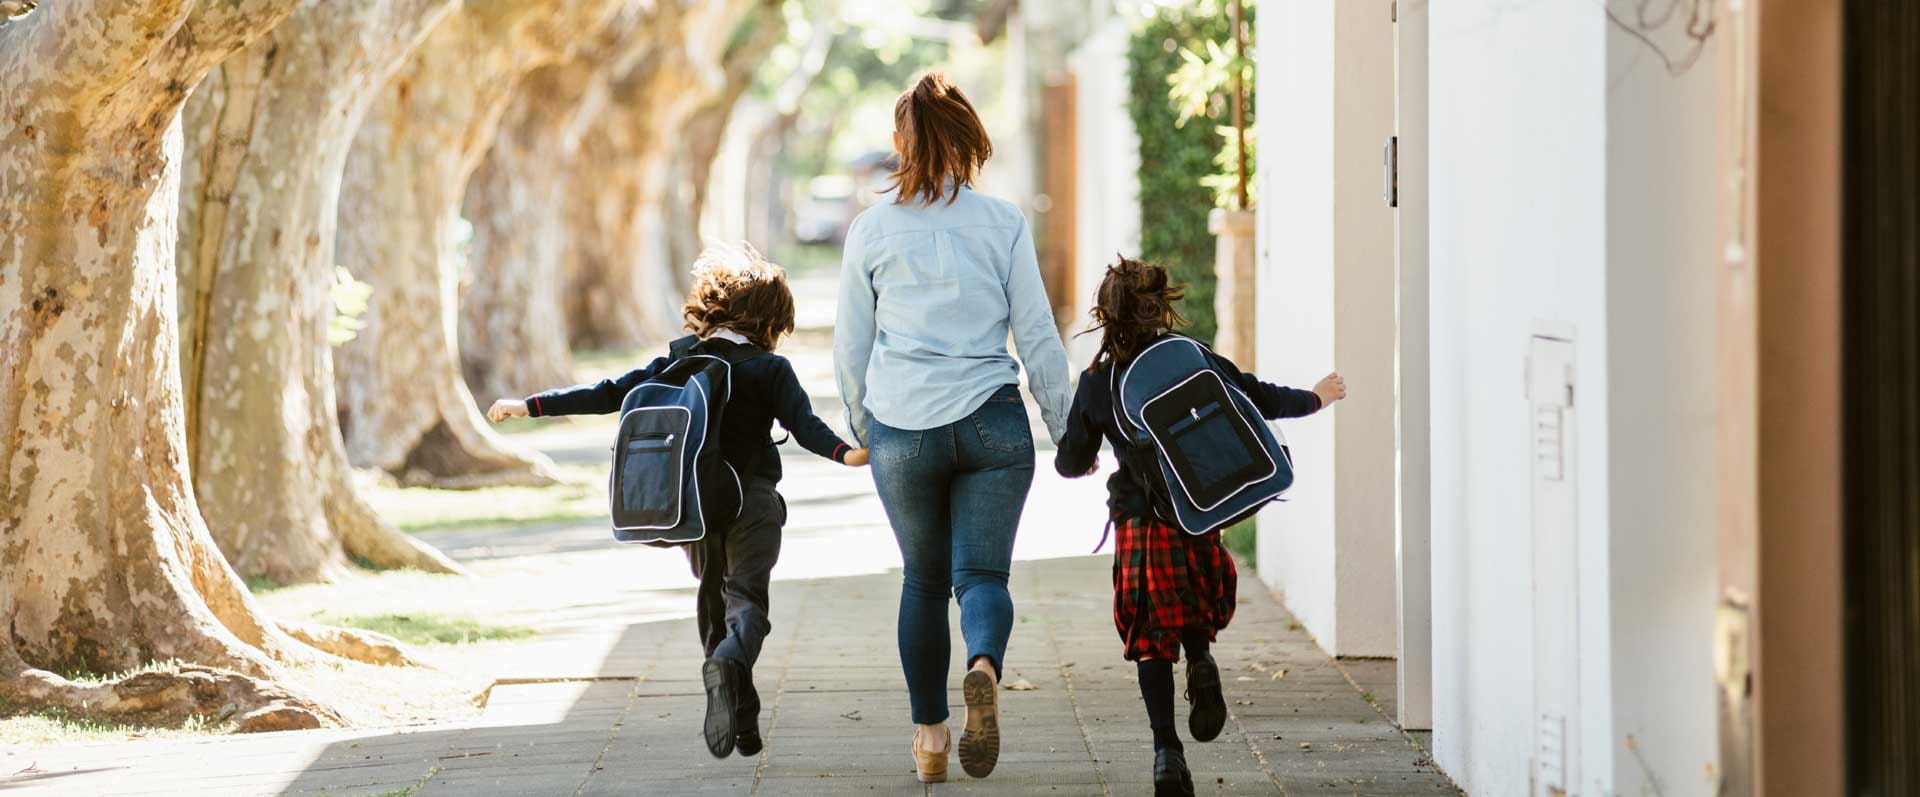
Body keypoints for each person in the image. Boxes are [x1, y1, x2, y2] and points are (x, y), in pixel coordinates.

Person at [488, 244, 869, 760]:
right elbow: (805, 428)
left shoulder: (681, 358)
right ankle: (731, 667)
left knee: (713, 604)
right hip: (751, 503)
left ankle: (742, 715)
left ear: (714, 306)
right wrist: (847, 453)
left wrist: (529, 406)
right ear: (770, 318)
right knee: (748, 605)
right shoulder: (769, 369)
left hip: (693, 505)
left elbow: (608, 393)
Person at [834, 72, 1073, 784]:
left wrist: (862, 425)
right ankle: (983, 666)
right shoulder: (1002, 222)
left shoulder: (871, 229)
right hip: (993, 422)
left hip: (904, 426)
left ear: (901, 143)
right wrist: (1066, 431)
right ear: (969, 138)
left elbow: (852, 344)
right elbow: (1037, 334)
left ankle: (932, 739)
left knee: (923, 580)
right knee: (981, 576)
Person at [1053, 257, 1345, 797]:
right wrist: (1315, 397)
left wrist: (1085, 458)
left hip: (1141, 519)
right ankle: (1203, 658)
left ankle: (1167, 752)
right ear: (1160, 307)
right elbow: (1254, 394)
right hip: (1195, 510)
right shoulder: (1190, 356)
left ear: (1106, 313)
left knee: (1148, 633)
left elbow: (1071, 459)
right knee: (1192, 601)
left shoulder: (1097, 381)